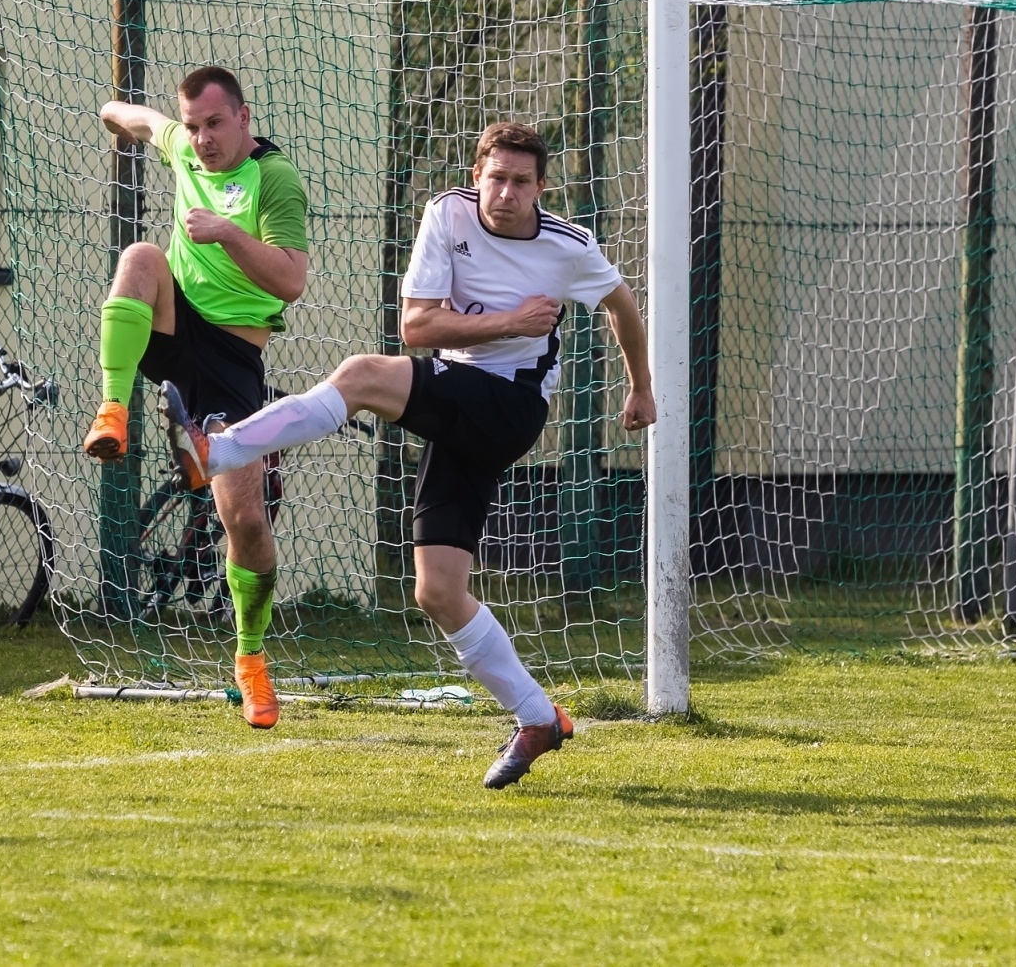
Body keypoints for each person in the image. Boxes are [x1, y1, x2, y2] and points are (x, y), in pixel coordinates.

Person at [159, 122, 654, 788]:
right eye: (496, 177)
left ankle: (216, 450)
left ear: (543, 187)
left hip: (510, 408)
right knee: (437, 591)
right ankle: (537, 717)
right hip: (458, 401)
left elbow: (621, 305)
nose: (506, 193)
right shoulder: (447, 214)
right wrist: (509, 322)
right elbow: (416, 326)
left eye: (522, 182)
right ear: (476, 175)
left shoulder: (569, 245)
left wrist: (640, 387)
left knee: (362, 374)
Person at [85, 66, 309, 732]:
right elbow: (140, 120)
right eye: (194, 126)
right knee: (141, 256)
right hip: (176, 327)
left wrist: (228, 233)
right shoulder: (182, 145)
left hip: (233, 360)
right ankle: (114, 409)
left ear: (243, 118)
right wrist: (111, 112)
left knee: (245, 521)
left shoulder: (274, 179)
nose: (203, 138)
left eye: (215, 124)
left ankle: (250, 656)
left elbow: (292, 280)